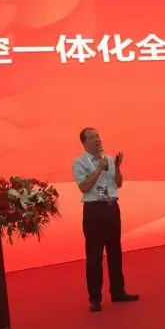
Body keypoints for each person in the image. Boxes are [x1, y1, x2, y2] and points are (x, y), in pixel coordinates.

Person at [72, 127, 139, 312]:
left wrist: (117, 167)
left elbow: (118, 183)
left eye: (98, 136)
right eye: (92, 137)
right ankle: (95, 298)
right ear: (84, 143)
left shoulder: (108, 159)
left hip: (111, 208)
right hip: (94, 210)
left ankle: (118, 291)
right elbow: (84, 187)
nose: (97, 140)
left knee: (115, 251)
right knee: (94, 255)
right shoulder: (79, 163)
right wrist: (99, 168)